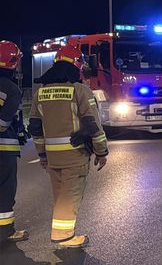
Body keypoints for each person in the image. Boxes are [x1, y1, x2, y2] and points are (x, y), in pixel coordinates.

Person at [28, 44, 108, 248]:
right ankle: (64, 236)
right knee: (70, 196)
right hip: (75, 155)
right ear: (78, 66)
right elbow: (92, 125)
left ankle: (63, 231)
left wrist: (43, 156)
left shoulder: (40, 94)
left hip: (53, 158)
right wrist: (101, 152)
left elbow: (35, 129)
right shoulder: (80, 91)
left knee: (61, 195)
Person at [0, 41, 29, 243]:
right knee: (5, 189)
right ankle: (5, 231)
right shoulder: (11, 88)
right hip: (3, 150)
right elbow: (3, 122)